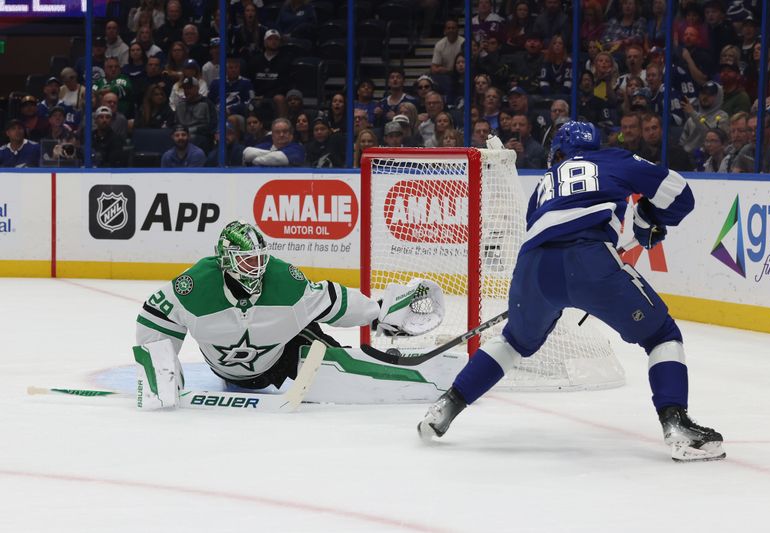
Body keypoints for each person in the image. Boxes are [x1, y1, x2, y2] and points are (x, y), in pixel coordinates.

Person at [417, 120, 726, 463]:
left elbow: (549, 234)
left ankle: (448, 404)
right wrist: (648, 217)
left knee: (514, 342)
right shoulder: (613, 159)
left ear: (557, 152)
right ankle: (676, 423)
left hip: (533, 268)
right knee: (662, 333)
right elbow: (680, 192)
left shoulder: (543, 184)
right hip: (590, 261)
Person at [134, 220, 446, 408]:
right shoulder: (195, 285)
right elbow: (155, 318)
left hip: (278, 360)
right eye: (245, 261)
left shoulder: (286, 282)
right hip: (227, 372)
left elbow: (332, 300)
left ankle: (378, 371)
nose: (256, 268)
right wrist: (159, 374)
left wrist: (377, 313)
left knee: (315, 345)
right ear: (225, 261)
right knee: (303, 330)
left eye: (259, 259)